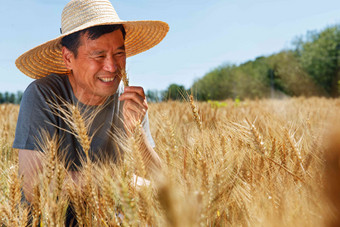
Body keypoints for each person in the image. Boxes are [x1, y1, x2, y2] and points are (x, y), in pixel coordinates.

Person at [13, 0, 168, 224]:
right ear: (68, 58)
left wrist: (137, 134)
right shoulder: (42, 95)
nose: (112, 67)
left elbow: (163, 186)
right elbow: (33, 187)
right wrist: (120, 182)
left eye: (119, 53)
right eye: (98, 55)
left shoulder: (129, 100)